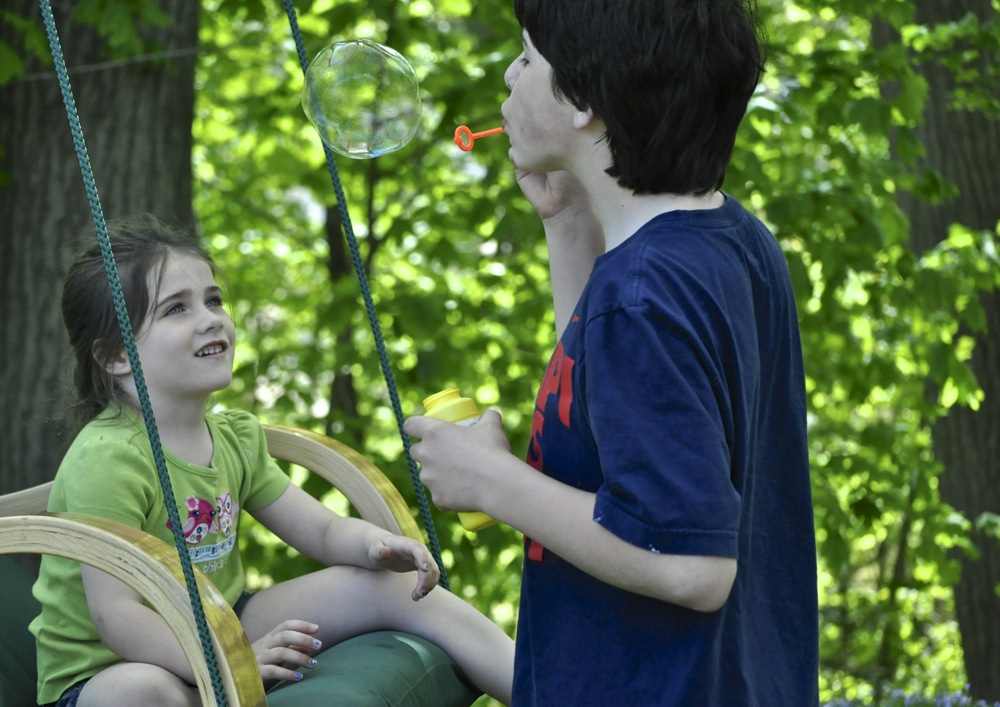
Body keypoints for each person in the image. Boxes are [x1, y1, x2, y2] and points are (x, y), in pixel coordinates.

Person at [403, 1, 819, 704]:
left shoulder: (642, 295)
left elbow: (691, 563)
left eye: (529, 58)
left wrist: (492, 482)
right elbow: (615, 424)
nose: (509, 73)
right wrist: (567, 224)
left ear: (585, 104)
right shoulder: (728, 242)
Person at [31, 215, 514, 707]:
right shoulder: (109, 457)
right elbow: (118, 617)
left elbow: (322, 532)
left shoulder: (236, 438)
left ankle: (546, 690)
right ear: (116, 357)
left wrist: (375, 544)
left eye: (213, 299)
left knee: (390, 585)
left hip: (222, 620)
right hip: (110, 669)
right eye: (177, 308)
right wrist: (231, 660)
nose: (210, 318)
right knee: (142, 691)